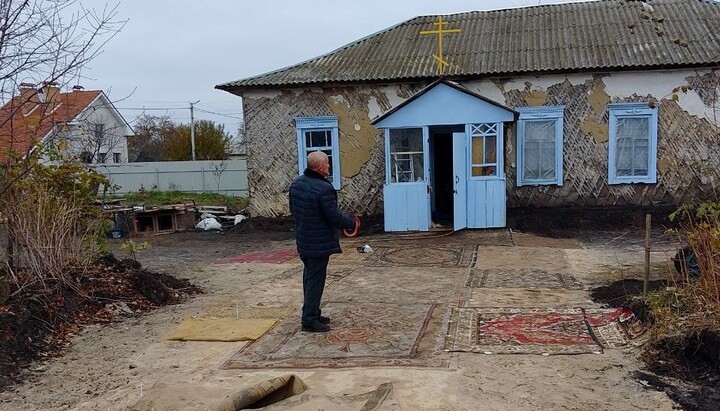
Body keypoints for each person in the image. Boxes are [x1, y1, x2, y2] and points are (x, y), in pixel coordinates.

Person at [289, 151, 356, 332]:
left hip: (304, 239)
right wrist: (350, 221)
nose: (329, 166)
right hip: (318, 242)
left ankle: (312, 312)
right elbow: (333, 217)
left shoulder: (297, 184)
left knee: (309, 278)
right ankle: (309, 320)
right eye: (327, 164)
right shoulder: (323, 188)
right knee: (315, 281)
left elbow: (294, 211)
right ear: (319, 167)